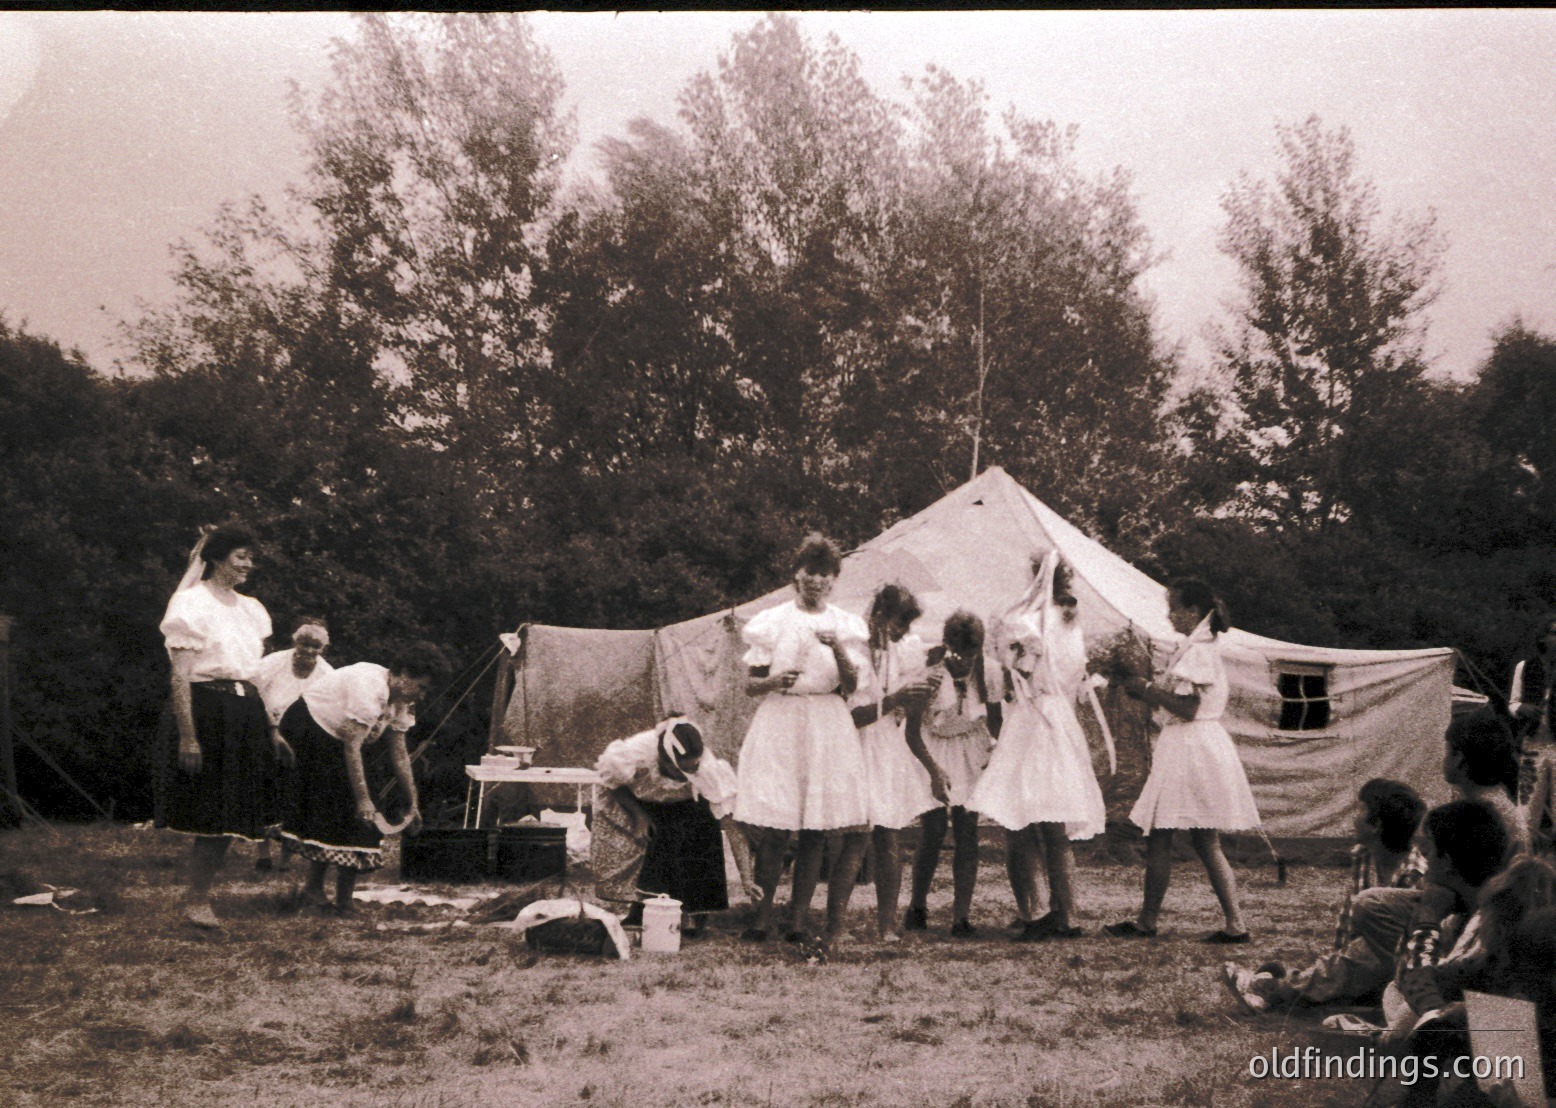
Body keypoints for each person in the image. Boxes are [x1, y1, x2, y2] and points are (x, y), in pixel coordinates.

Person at [733, 534, 872, 950]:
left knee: (815, 828)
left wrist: (839, 652)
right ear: (797, 574)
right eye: (810, 571)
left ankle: (797, 919)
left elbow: (851, 686)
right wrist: (774, 680)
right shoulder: (772, 621)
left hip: (827, 722)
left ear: (834, 580)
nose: (817, 581)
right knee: (777, 825)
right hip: (782, 719)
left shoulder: (845, 625)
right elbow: (749, 686)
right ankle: (761, 917)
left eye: (826, 574)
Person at [1105, 578, 1260, 943]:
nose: (1169, 614)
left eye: (1173, 607)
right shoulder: (1197, 646)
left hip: (1191, 746)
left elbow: (1188, 709)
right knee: (1193, 839)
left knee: (1175, 837)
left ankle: (1156, 922)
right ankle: (1228, 923)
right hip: (1194, 745)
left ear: (1192, 611)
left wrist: (1146, 691)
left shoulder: (1199, 652)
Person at [969, 553, 1105, 941]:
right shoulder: (1071, 624)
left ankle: (1040, 911)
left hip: (1034, 718)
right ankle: (1068, 913)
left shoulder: (1030, 624)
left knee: (1023, 820)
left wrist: (1005, 645)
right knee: (1054, 824)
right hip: (1059, 718)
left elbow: (1016, 667)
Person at [156, 523, 278, 929]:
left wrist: (271, 728)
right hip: (208, 710)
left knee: (231, 813)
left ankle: (200, 899)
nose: (248, 564)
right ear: (217, 557)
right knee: (210, 812)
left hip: (246, 712)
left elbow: (257, 675)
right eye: (240, 555)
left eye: (250, 557)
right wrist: (188, 736)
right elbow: (180, 677)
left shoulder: (252, 609)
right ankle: (196, 900)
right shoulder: (191, 605)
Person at [1222, 778, 1427, 1012]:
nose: (1354, 818)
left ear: (1375, 825)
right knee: (1348, 964)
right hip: (1361, 965)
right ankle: (1285, 987)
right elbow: (1347, 927)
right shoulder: (1364, 857)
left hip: (1396, 969)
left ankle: (1274, 988)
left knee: (1360, 955)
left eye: (1361, 809)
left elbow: (1402, 947)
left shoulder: (1417, 876)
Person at [277, 641, 450, 914]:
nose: (422, 695)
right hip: (309, 729)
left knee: (362, 814)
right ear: (403, 673)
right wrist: (363, 800)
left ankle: (342, 898)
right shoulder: (370, 685)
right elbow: (351, 745)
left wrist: (412, 803)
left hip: (342, 739)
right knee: (343, 806)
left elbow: (400, 753)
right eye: (422, 687)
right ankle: (316, 891)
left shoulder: (401, 700)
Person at [593, 715, 758, 937]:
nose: (685, 775)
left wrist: (747, 879)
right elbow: (614, 785)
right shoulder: (635, 753)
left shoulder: (705, 769)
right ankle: (642, 909)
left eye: (690, 770)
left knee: (700, 831)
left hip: (681, 804)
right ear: (665, 759)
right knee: (650, 839)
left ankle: (696, 913)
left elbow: (731, 826)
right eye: (679, 771)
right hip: (637, 800)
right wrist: (640, 817)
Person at [850, 584, 946, 942]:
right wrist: (895, 700)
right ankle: (834, 923)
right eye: (899, 624)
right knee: (853, 838)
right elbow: (854, 716)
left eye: (907, 626)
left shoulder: (899, 654)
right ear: (880, 616)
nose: (904, 632)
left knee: (888, 836)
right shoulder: (856, 650)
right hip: (855, 747)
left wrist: (934, 770)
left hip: (886, 748)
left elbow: (910, 727)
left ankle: (887, 924)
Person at [906, 611, 1003, 937]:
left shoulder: (989, 670)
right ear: (947, 645)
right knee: (932, 829)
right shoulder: (931, 671)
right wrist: (933, 770)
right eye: (958, 651)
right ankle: (917, 906)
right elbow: (912, 729)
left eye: (971, 652)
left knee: (967, 830)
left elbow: (995, 718)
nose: (964, 659)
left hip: (969, 747)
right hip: (932, 746)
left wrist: (998, 753)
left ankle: (961, 916)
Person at [251, 616, 334, 872]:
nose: (308, 650)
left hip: (304, 738)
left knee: (295, 795)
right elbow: (251, 691)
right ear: (294, 642)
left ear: (323, 649)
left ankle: (286, 858)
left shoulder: (328, 674)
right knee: (262, 789)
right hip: (265, 729)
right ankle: (262, 852)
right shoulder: (273, 663)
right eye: (304, 644)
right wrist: (269, 725)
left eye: (315, 646)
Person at [1444, 707, 1530, 855]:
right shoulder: (1491, 803)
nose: (1444, 759)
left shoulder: (1481, 815)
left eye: (1447, 752)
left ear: (1459, 758)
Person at [1510, 612, 1556, 805]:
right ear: (1543, 638)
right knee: (1527, 805)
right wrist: (1522, 708)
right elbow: (1512, 703)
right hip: (1532, 743)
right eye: (1555, 633)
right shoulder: (1525, 666)